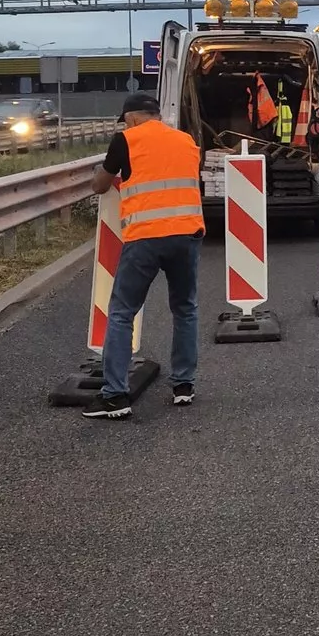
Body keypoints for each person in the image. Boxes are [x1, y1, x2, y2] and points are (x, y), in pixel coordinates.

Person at [83, 93, 204, 419]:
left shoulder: (125, 140)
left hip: (146, 238)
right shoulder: (186, 140)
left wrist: (100, 173)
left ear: (132, 118)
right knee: (185, 308)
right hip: (187, 234)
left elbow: (100, 185)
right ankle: (183, 386)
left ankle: (115, 396)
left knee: (122, 312)